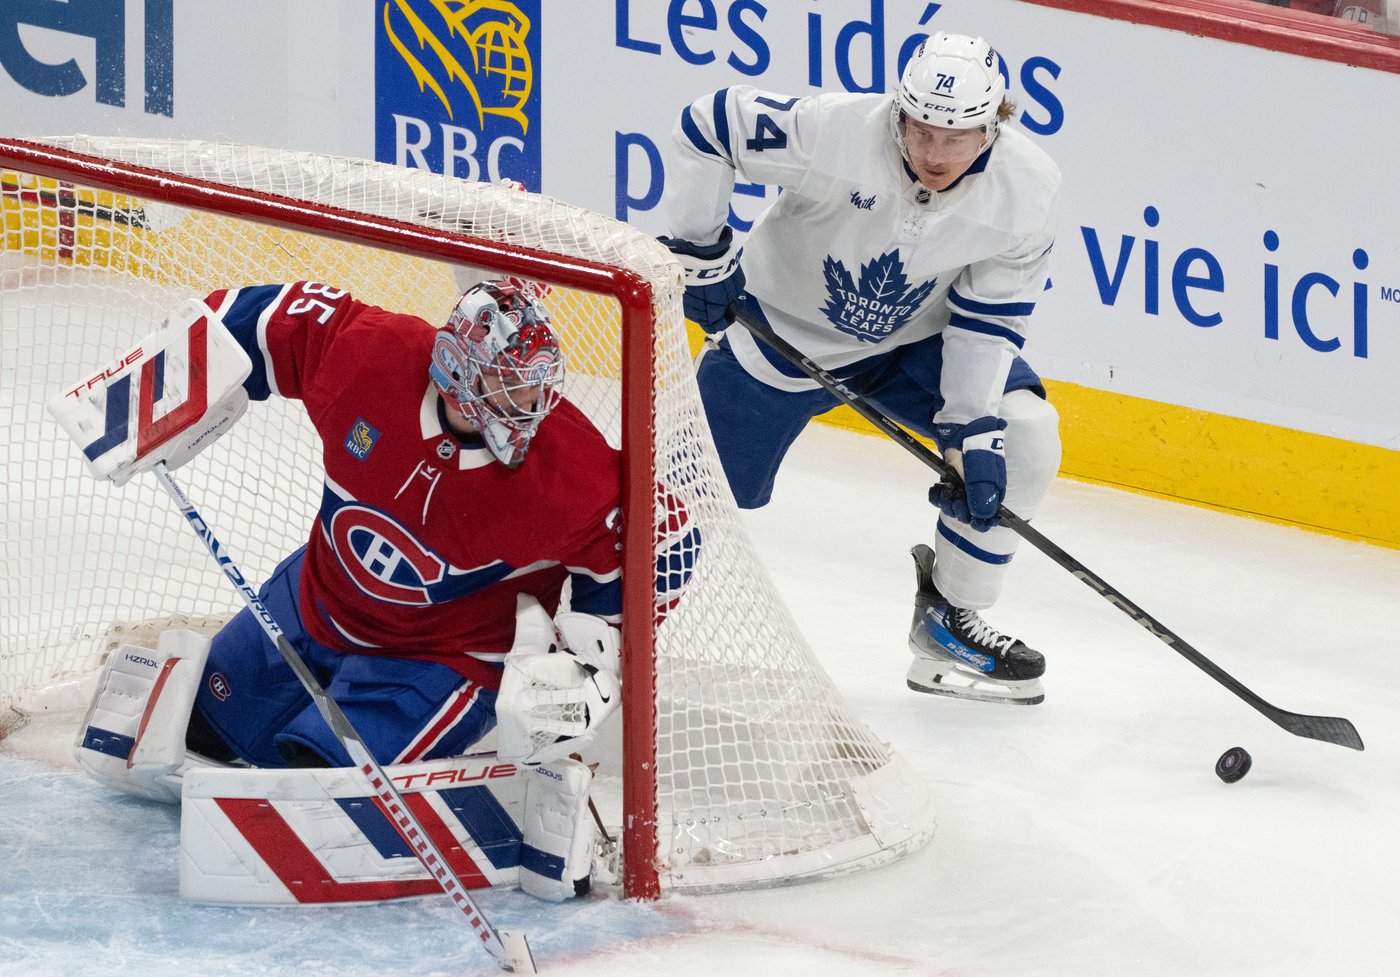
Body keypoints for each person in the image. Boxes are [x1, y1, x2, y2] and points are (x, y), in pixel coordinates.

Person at [660, 31, 1061, 705]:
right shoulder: (836, 131)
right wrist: (700, 252)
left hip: (909, 345)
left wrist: (969, 428)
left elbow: (987, 320)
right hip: (774, 338)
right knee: (677, 500)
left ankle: (950, 621)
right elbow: (711, 125)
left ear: (995, 126)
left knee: (1022, 436)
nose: (934, 154)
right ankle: (601, 636)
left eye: (956, 138)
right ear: (898, 112)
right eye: (921, 130)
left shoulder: (1028, 188)